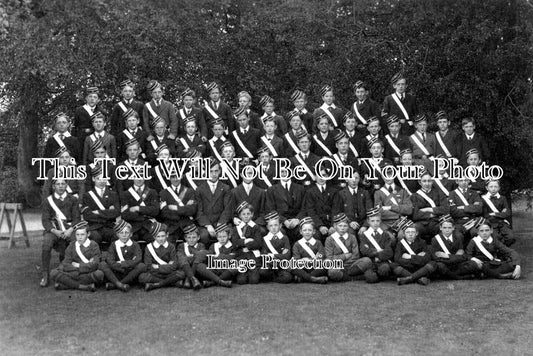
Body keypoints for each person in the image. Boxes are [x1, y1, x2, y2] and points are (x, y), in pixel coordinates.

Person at [40, 178, 81, 287]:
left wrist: (70, 230)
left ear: (66, 185)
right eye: (58, 184)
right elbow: (45, 220)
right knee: (46, 244)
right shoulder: (48, 201)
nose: (60, 186)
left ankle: (66, 272)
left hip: (69, 229)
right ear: (53, 186)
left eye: (63, 183)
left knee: (74, 241)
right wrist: (54, 231)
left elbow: (77, 218)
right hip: (54, 230)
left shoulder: (73, 199)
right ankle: (45, 275)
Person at [50, 221, 104, 291]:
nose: (80, 237)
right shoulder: (72, 245)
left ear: (88, 234)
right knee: (53, 273)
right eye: (77, 235)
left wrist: (78, 265)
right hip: (73, 273)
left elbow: (95, 264)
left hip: (87, 274)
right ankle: (83, 287)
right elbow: (66, 264)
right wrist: (85, 266)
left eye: (82, 234)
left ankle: (67, 285)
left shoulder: (93, 245)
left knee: (99, 274)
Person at [99, 220, 146, 292]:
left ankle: (116, 284)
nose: (124, 235)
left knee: (141, 266)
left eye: (127, 232)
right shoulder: (113, 245)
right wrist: (127, 264)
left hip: (130, 273)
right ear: (117, 234)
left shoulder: (135, 245)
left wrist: (122, 263)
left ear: (131, 234)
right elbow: (110, 261)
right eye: (121, 233)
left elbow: (138, 259)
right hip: (116, 272)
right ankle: (120, 285)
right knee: (102, 264)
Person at [139, 221, 186, 291]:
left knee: (182, 273)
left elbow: (174, 266)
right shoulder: (149, 247)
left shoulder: (171, 246)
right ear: (154, 237)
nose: (161, 239)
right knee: (142, 277)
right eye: (158, 236)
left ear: (167, 235)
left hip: (168, 273)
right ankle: (172, 282)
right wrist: (167, 265)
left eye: (163, 236)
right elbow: (148, 266)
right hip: (155, 274)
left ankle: (157, 285)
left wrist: (157, 266)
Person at [195, 159, 233, 245]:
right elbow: (199, 211)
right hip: (206, 224)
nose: (213, 174)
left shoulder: (225, 188)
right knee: (204, 236)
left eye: (216, 171)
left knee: (229, 233)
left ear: (219, 171)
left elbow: (227, 209)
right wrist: (207, 225)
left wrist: (221, 223)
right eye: (211, 171)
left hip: (220, 222)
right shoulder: (199, 189)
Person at [325, 213, 372, 282]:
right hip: (338, 265)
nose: (342, 228)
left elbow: (356, 255)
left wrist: (345, 261)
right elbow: (330, 257)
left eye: (345, 226)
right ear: (335, 226)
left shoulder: (352, 237)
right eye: (340, 226)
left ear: (348, 227)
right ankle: (355, 278)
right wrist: (344, 257)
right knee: (332, 272)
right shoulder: (329, 239)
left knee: (367, 261)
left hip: (352, 265)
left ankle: (345, 276)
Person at [81, 165, 120, 245]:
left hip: (109, 227)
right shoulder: (87, 195)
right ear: (93, 179)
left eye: (104, 178)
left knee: (117, 237)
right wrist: (108, 212)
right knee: (95, 237)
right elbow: (87, 215)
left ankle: (111, 257)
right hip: (94, 227)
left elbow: (116, 212)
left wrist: (98, 212)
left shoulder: (113, 194)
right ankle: (96, 257)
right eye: (98, 178)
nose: (101, 181)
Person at [265, 168, 306, 243]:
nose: (284, 174)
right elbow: (271, 210)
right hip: (280, 222)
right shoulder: (271, 190)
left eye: (286, 171)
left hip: (297, 221)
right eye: (282, 171)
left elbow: (304, 208)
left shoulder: (301, 189)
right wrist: (283, 221)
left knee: (305, 232)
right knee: (279, 233)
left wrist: (297, 219)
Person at [431, 215, 477, 280]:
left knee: (473, 264)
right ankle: (459, 277)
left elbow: (463, 256)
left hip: (456, 264)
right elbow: (437, 258)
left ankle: (449, 276)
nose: (447, 230)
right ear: (440, 228)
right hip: (446, 264)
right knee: (440, 266)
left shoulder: (458, 237)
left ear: (453, 228)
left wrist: (448, 256)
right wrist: (455, 257)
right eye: (444, 228)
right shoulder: (435, 239)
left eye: (449, 228)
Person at [159, 170, 198, 244]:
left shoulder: (189, 191)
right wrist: (184, 211)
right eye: (173, 177)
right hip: (171, 226)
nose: (175, 179)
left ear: (181, 177)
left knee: (193, 244)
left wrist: (175, 208)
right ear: (169, 178)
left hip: (187, 225)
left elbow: (192, 210)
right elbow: (164, 213)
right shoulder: (163, 193)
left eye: (177, 176)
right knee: (167, 244)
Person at [411, 170, 450, 242]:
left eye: (429, 181)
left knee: (446, 229)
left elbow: (446, 209)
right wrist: (432, 214)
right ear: (420, 182)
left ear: (432, 182)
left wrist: (428, 209)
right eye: (424, 181)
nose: (427, 183)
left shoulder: (439, 193)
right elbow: (415, 215)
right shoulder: (414, 196)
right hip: (421, 223)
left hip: (436, 223)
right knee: (412, 230)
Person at [359, 209, 395, 283]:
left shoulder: (385, 234)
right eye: (372, 221)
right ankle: (377, 275)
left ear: (380, 221)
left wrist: (377, 255)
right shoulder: (364, 235)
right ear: (368, 222)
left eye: (377, 221)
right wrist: (378, 252)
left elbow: (389, 252)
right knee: (370, 278)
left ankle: (378, 274)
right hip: (371, 262)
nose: (375, 223)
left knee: (385, 268)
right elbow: (364, 250)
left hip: (382, 261)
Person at [120, 176, 160, 242]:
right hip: (133, 227)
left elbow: (155, 211)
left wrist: (138, 208)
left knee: (156, 241)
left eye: (141, 176)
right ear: (132, 178)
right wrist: (145, 213)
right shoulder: (126, 194)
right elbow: (125, 215)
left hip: (148, 227)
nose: (139, 179)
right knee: (128, 243)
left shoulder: (152, 192)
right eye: (136, 177)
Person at [232, 202, 263, 284]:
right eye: (243, 214)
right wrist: (246, 241)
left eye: (248, 214)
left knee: (254, 280)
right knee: (241, 281)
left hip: (253, 255)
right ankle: (244, 272)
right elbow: (235, 243)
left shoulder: (255, 227)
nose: (246, 216)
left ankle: (252, 271)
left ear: (252, 214)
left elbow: (258, 243)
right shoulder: (236, 228)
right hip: (241, 255)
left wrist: (247, 246)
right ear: (240, 216)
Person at [195, 223, 235, 288]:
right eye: (219, 237)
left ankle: (212, 282)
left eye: (224, 236)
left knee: (235, 267)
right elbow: (209, 258)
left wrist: (217, 257)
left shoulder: (233, 246)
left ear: (229, 236)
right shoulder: (214, 246)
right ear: (216, 237)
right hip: (214, 269)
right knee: (199, 266)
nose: (222, 239)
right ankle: (220, 281)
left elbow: (231, 258)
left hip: (226, 270)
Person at [291, 218, 328, 284]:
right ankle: (313, 279)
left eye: (309, 230)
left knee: (325, 266)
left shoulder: (318, 243)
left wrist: (309, 260)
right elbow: (296, 259)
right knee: (292, 266)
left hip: (315, 267)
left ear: (314, 231)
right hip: (303, 267)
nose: (307, 232)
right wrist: (302, 260)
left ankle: (303, 278)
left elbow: (321, 256)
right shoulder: (297, 244)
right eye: (304, 230)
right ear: (301, 232)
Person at [259, 212, 293, 284]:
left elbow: (287, 256)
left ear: (280, 226)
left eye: (276, 225)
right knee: (262, 272)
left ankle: (274, 278)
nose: (273, 227)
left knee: (288, 278)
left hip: (281, 264)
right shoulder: (265, 239)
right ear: (267, 227)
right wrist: (275, 257)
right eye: (271, 226)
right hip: (270, 264)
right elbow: (264, 255)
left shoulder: (284, 238)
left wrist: (273, 255)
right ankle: (274, 276)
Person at [480, 179, 515, 246]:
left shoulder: (503, 198)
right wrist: (501, 214)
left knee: (511, 237)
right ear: (486, 188)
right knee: (495, 238)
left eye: (496, 186)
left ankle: (502, 250)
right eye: (491, 186)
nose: (493, 189)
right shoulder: (483, 199)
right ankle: (498, 252)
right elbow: (485, 214)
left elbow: (507, 213)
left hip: (502, 223)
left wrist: (495, 214)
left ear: (499, 188)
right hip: (490, 223)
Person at [176, 223, 205, 290]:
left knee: (199, 262)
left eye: (194, 237)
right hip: (185, 267)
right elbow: (181, 259)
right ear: (185, 238)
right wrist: (192, 257)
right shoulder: (181, 246)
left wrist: (190, 257)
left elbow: (200, 257)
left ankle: (187, 280)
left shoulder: (201, 245)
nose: (191, 240)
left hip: (195, 268)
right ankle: (193, 279)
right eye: (189, 237)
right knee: (182, 261)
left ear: (198, 237)